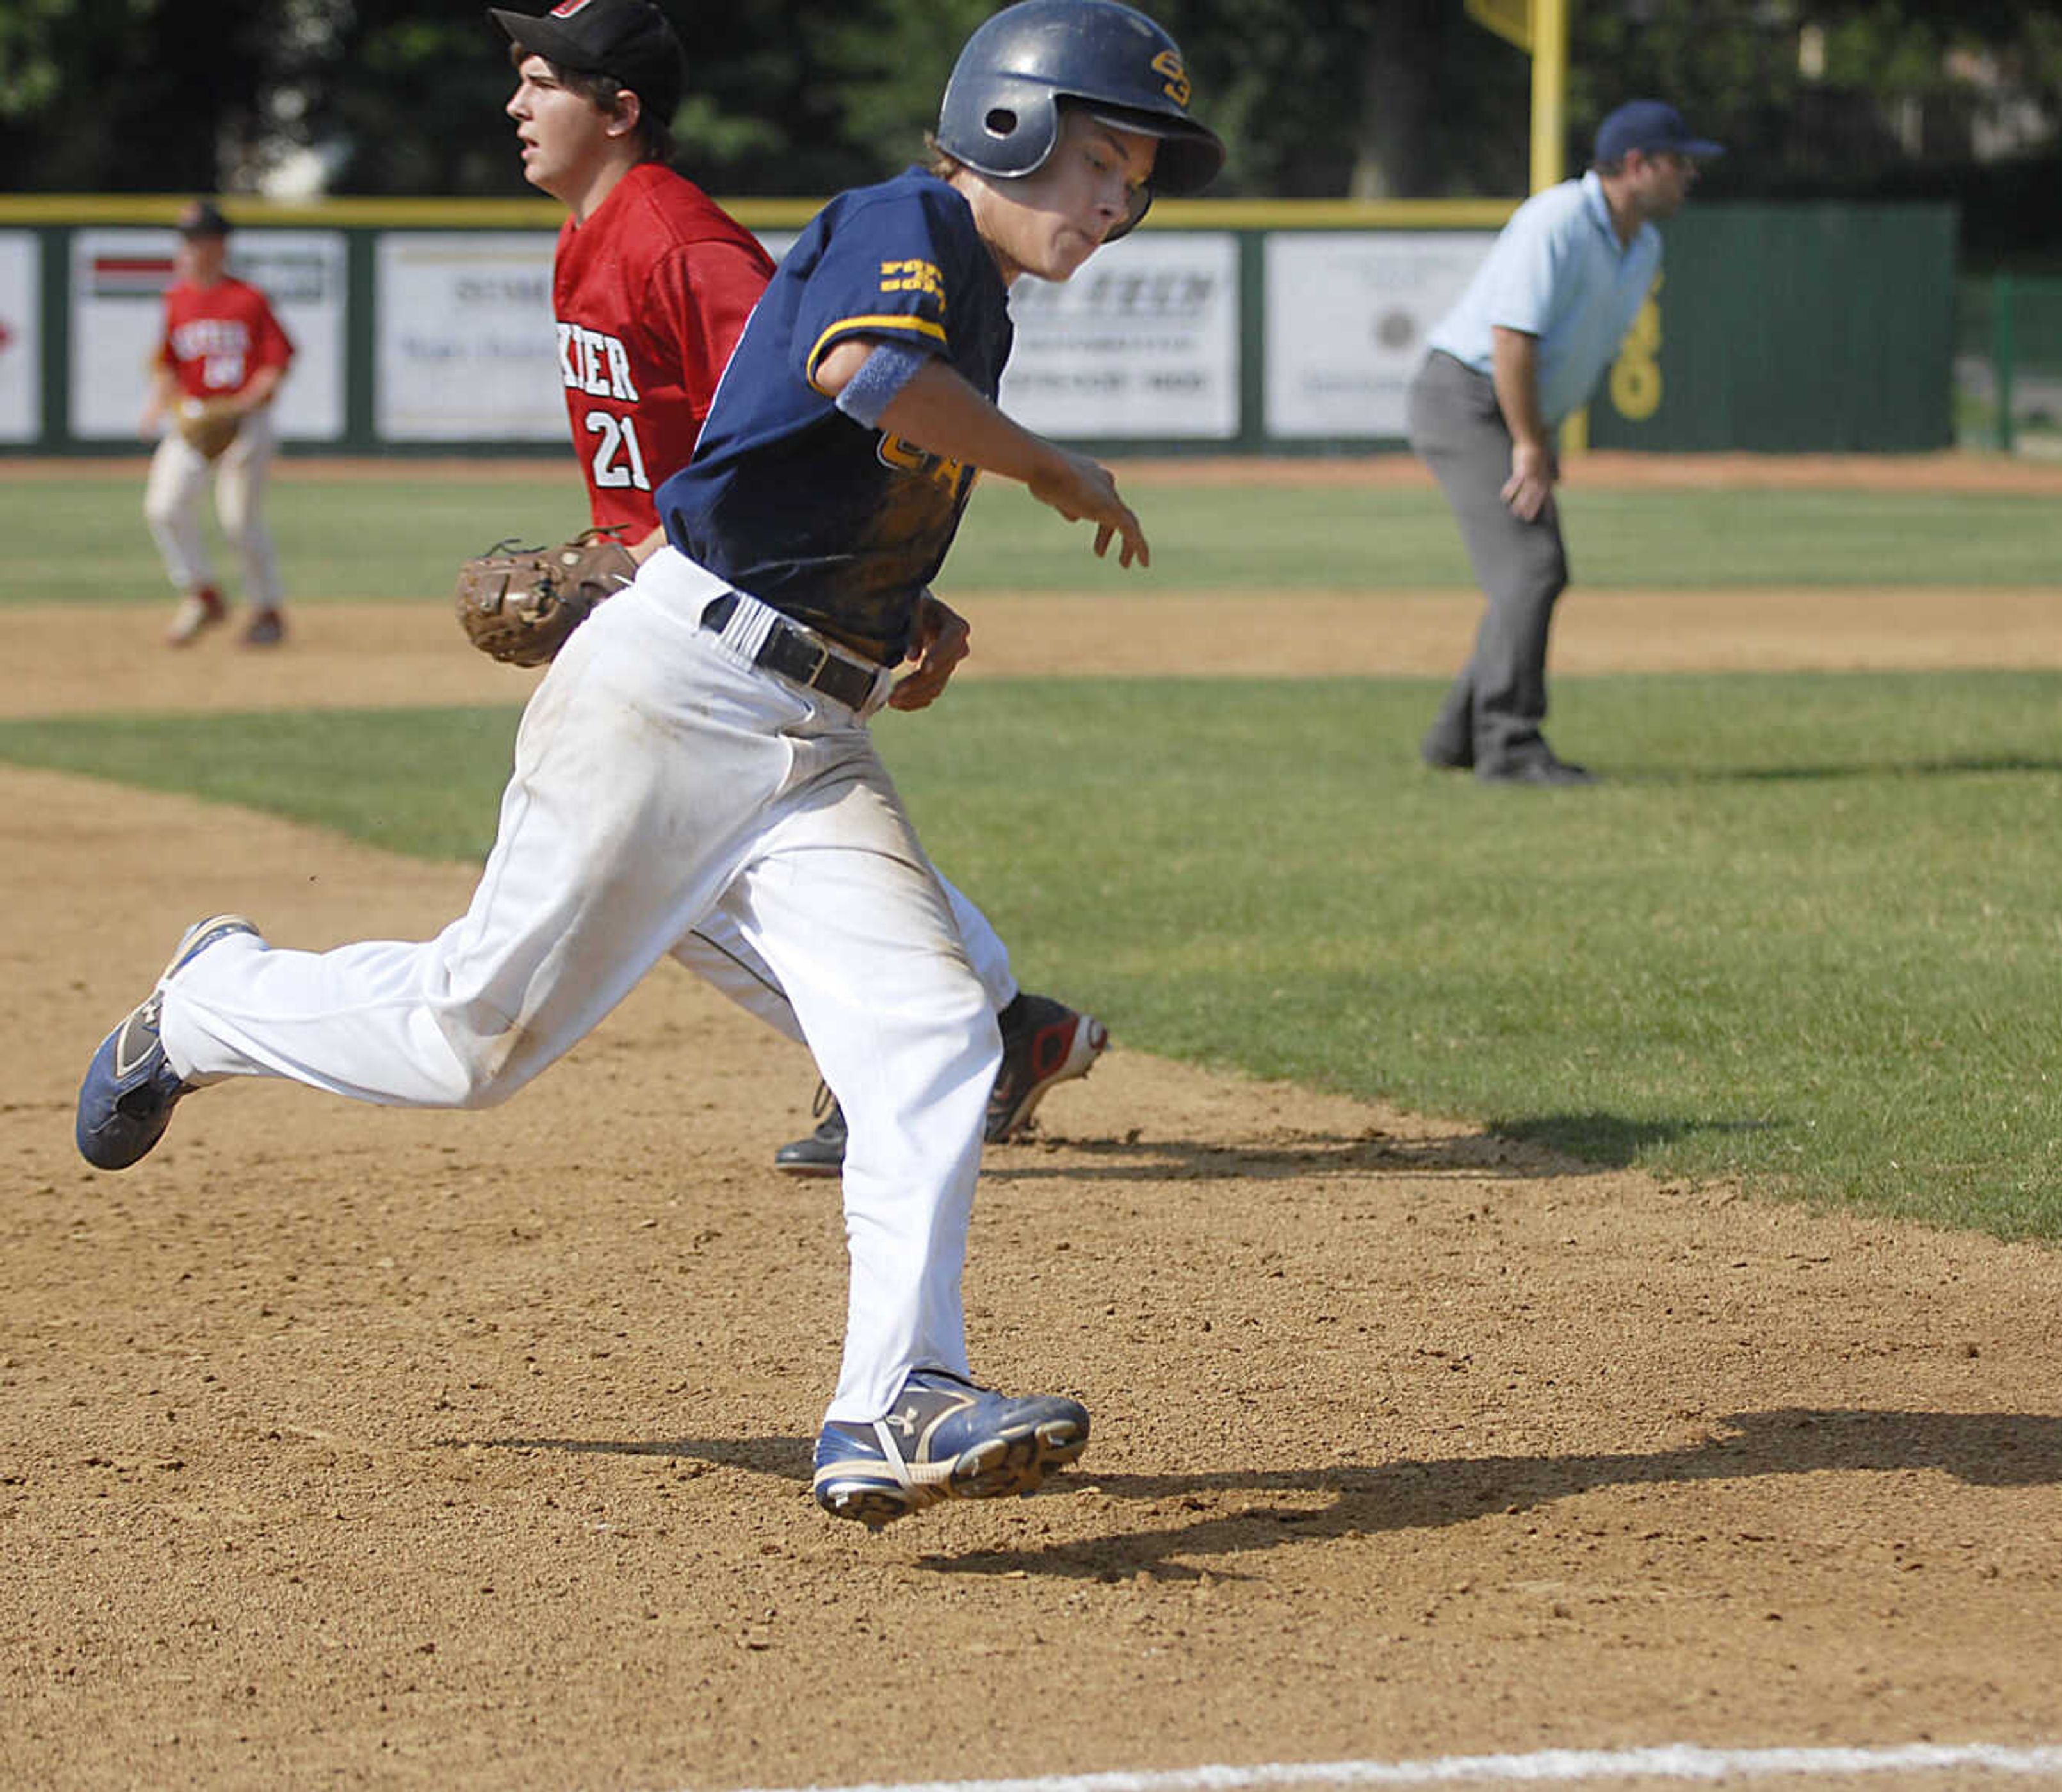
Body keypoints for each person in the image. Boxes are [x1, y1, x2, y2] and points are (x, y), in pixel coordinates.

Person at [75, 0, 1222, 1531]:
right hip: (675, 690)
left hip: (810, 728)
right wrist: (1048, 464)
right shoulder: (906, 223)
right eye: (1099, 158)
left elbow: (816, 460)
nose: (1116, 201)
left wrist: (901, 609)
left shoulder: (983, 293)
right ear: (1006, 125)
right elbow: (868, 379)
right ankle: (212, 995)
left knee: (935, 1029)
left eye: (1135, 175)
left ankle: (896, 1397)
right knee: (471, 1038)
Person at [491, 0, 1106, 1178]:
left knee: (676, 878)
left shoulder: (680, 243)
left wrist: (870, 578)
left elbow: (803, 411)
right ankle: (997, 1030)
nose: (517, 105)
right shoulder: (589, 232)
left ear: (618, 112)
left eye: (541, 81)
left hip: (726, 604)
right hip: (676, 599)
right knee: (716, 865)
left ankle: (978, 1034)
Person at [1409, 99, 1721, 786]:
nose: (1689, 176)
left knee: (1530, 572)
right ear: (1636, 166)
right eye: (1679, 162)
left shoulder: (1642, 244)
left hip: (1511, 410)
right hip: (1464, 398)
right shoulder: (1557, 219)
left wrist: (1538, 435)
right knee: (1533, 567)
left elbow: (1568, 351)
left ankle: (1457, 735)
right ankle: (1509, 742)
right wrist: (1528, 442)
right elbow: (1512, 337)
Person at [140, 198, 294, 648]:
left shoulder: (248, 299)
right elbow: (167, 362)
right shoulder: (176, 299)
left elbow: (276, 363)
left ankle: (267, 611)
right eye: (187, 239)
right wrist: (160, 404)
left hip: (245, 424)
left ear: (220, 245)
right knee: (164, 507)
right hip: (193, 421)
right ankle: (203, 592)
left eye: (200, 239)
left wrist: (243, 405)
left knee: (239, 522)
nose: (191, 247)